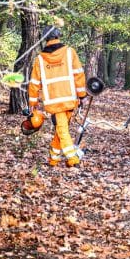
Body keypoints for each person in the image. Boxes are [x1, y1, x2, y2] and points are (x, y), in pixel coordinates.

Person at [28, 26, 87, 167]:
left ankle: (54, 158)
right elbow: (79, 74)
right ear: (58, 36)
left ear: (45, 39)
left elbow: (34, 83)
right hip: (70, 98)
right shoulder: (69, 53)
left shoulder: (40, 59)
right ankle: (72, 158)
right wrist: (82, 95)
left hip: (53, 101)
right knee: (62, 129)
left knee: (61, 129)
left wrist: (33, 102)